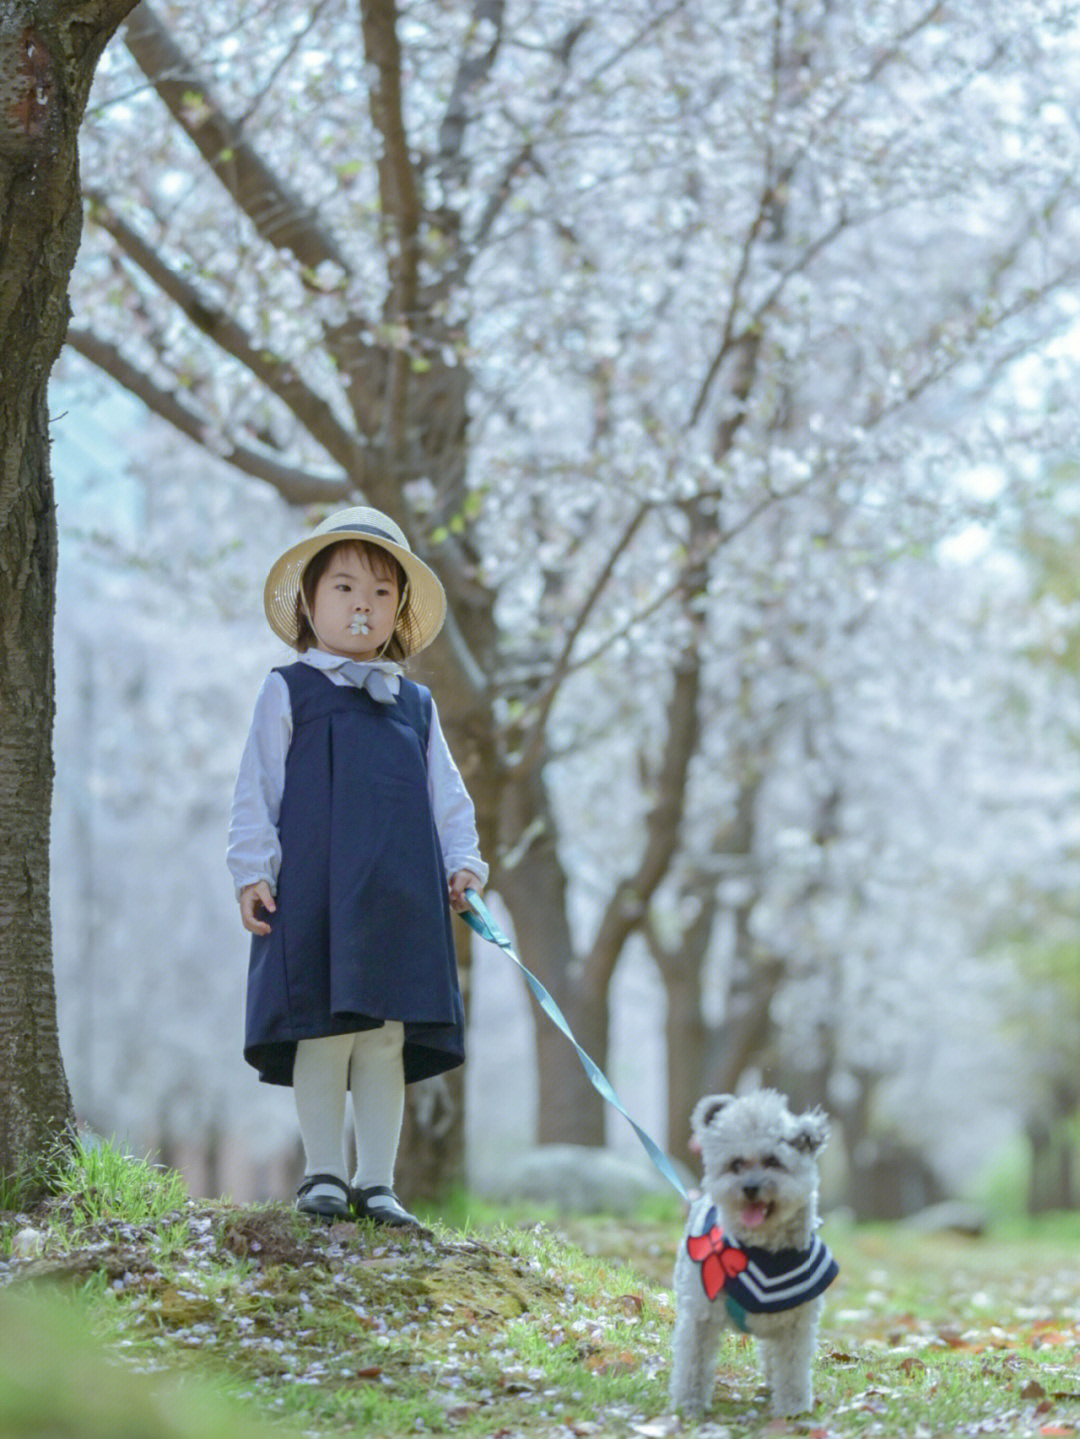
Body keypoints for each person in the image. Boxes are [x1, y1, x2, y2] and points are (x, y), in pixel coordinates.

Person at [227, 506, 487, 1227]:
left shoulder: (416, 706)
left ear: (399, 608)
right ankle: (323, 1173)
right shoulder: (290, 690)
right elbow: (257, 789)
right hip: (317, 890)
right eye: (343, 588)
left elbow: (448, 798)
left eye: (379, 592)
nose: (361, 606)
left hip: (400, 891)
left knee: (385, 1037)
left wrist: (463, 863)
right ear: (310, 602)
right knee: (326, 1025)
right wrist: (253, 869)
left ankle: (377, 1181)